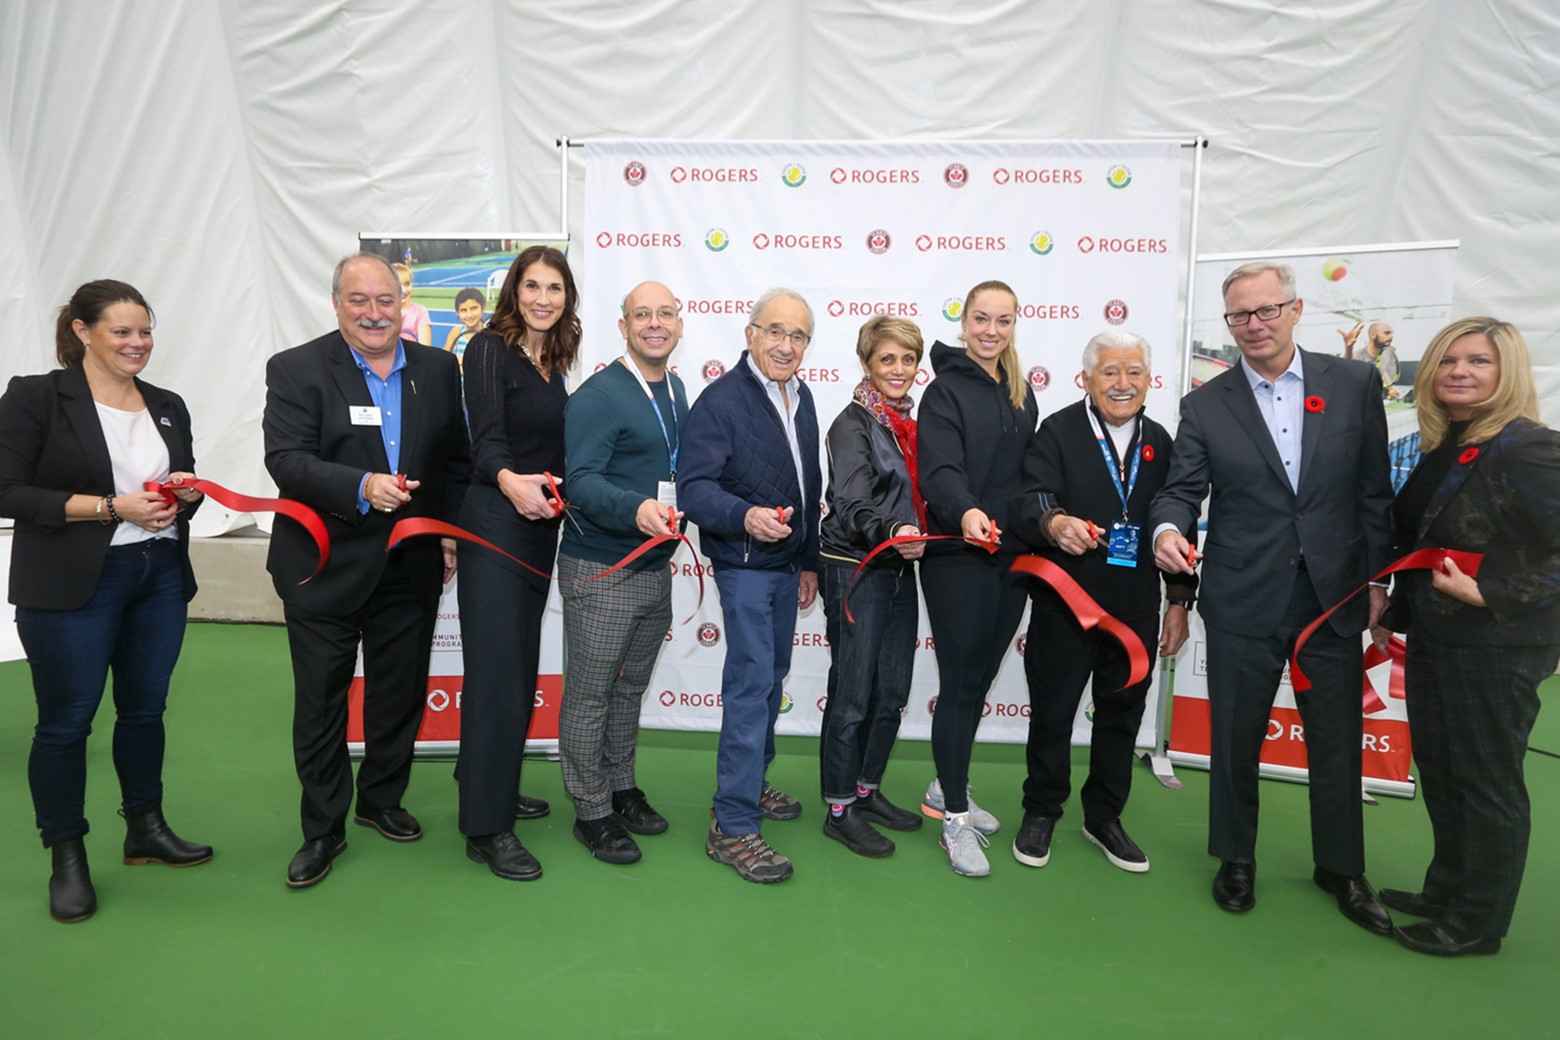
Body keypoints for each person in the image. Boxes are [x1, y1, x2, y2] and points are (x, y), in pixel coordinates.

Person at [1150, 261, 1395, 933]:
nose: (1254, 326)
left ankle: (1341, 867)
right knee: (1235, 736)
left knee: (1337, 741)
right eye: (1239, 316)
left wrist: (1380, 581)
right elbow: (1180, 489)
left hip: (1333, 595)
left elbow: (1374, 492)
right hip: (1241, 595)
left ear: (1296, 309)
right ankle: (1235, 858)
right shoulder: (1206, 403)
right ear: (1226, 324)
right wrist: (1169, 529)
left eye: (1266, 311)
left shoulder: (1353, 384)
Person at [0, 279, 211, 923]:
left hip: (159, 576)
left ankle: (144, 828)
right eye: (121, 331)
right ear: (83, 331)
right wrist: (107, 508)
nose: (137, 343)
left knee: (145, 711)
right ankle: (66, 855)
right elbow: (8, 491)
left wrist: (186, 493)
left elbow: (185, 475)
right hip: (71, 584)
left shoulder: (167, 403)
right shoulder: (35, 396)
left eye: (144, 330)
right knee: (66, 724)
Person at [264, 253, 470, 889]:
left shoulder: (438, 369)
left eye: (384, 300)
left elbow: (453, 462)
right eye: (359, 300)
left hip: (409, 565)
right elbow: (286, 460)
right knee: (322, 703)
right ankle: (322, 830)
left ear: (401, 305)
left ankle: (381, 798)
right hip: (322, 567)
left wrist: (450, 530)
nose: (374, 313)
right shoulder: (297, 368)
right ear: (336, 303)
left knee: (399, 693)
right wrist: (360, 485)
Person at [1371, 317, 1560, 956]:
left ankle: (1479, 923)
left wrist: (1495, 592)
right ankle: (1446, 889)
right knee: (1444, 769)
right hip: (1436, 636)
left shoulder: (1526, 444)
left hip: (1498, 644)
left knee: (1486, 780)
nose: (1459, 371)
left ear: (1507, 372)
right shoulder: (1447, 442)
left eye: (1478, 361)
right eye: (1448, 360)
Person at [1011, 331, 1193, 874]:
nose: (1122, 383)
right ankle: (1041, 809)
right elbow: (1030, 498)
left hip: (1135, 607)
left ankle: (1104, 816)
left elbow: (1180, 520)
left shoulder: (1164, 441)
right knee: (1053, 714)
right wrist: (1054, 522)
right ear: (1087, 378)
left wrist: (1179, 599)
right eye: (1110, 372)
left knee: (1123, 715)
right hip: (1065, 604)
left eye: (1134, 372)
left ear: (1148, 380)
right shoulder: (1059, 430)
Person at [678, 288, 820, 884]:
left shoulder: (802, 394)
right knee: (750, 686)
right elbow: (693, 491)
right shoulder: (719, 402)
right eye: (776, 332)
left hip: (788, 568)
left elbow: (809, 486)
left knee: (769, 683)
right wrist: (743, 517)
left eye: (799, 336)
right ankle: (732, 826)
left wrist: (809, 557)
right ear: (750, 333)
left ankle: (750, 786)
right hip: (743, 568)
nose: (786, 346)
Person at [454, 244, 578, 880]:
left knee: (515, 670)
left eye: (554, 288)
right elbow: (486, 440)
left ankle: (487, 784)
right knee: (499, 676)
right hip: (497, 524)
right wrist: (510, 480)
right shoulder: (487, 349)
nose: (542, 298)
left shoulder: (552, 363)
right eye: (532, 286)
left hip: (539, 532)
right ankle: (485, 826)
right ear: (512, 291)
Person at [556, 281, 686, 865]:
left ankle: (620, 785)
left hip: (655, 566)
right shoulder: (598, 396)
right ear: (624, 325)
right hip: (603, 567)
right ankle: (591, 811)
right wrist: (635, 509)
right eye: (642, 315)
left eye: (664, 314)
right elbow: (579, 482)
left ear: (679, 324)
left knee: (629, 689)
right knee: (590, 695)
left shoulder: (677, 388)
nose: (654, 324)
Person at [917, 279, 1039, 877]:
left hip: (1012, 558)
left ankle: (948, 785)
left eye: (1003, 320)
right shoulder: (942, 392)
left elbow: (1027, 478)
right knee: (962, 682)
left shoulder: (1022, 392)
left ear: (1015, 324)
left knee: (983, 676)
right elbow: (939, 472)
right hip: (958, 556)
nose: (992, 330)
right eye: (981, 319)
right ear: (963, 322)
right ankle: (955, 822)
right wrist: (967, 512)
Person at [816, 315, 927, 858]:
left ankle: (867, 789)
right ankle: (839, 808)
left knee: (892, 692)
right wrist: (893, 530)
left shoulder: (907, 422)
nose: (899, 369)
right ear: (866, 364)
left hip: (901, 567)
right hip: (855, 565)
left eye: (908, 359)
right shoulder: (851, 424)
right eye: (888, 359)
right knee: (853, 694)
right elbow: (853, 502)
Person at [1340, 320, 1401, 398]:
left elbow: (1382, 370)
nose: (1391, 336)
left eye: (1392, 333)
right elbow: (1345, 371)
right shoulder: (1357, 356)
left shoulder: (1386, 355)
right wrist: (1349, 347)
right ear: (1373, 335)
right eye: (1387, 333)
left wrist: (1391, 388)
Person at [443, 287, 486, 369]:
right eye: (463, 310)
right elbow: (444, 359)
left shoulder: (490, 334)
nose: (469, 315)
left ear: (483, 308)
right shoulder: (455, 332)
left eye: (474, 308)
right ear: (457, 313)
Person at [394, 262, 432, 345]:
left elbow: (424, 350)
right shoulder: (381, 313)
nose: (403, 290)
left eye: (407, 284)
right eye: (398, 285)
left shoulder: (420, 312)